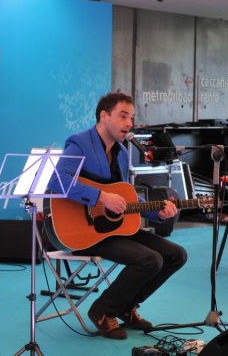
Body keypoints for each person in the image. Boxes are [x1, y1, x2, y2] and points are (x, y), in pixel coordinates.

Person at [48, 92, 187, 340]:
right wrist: (100, 197)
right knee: (149, 260)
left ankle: (125, 307)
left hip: (112, 230)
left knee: (176, 255)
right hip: (84, 232)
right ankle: (102, 311)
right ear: (104, 116)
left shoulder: (122, 153)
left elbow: (125, 196)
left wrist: (158, 211)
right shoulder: (79, 142)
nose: (129, 123)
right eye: (123, 116)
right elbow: (57, 181)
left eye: (131, 118)